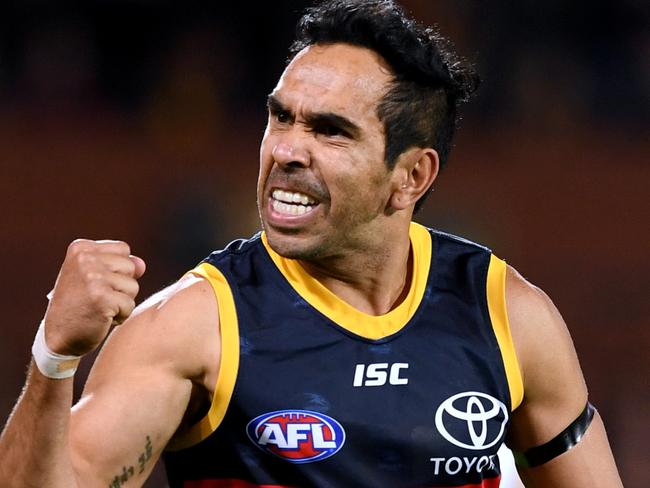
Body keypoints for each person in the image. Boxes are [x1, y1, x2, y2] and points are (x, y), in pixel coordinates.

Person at [0, 1, 623, 487]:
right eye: (280, 116)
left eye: (329, 131)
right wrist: (54, 358)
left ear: (412, 176)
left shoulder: (507, 317)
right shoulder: (194, 327)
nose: (286, 150)